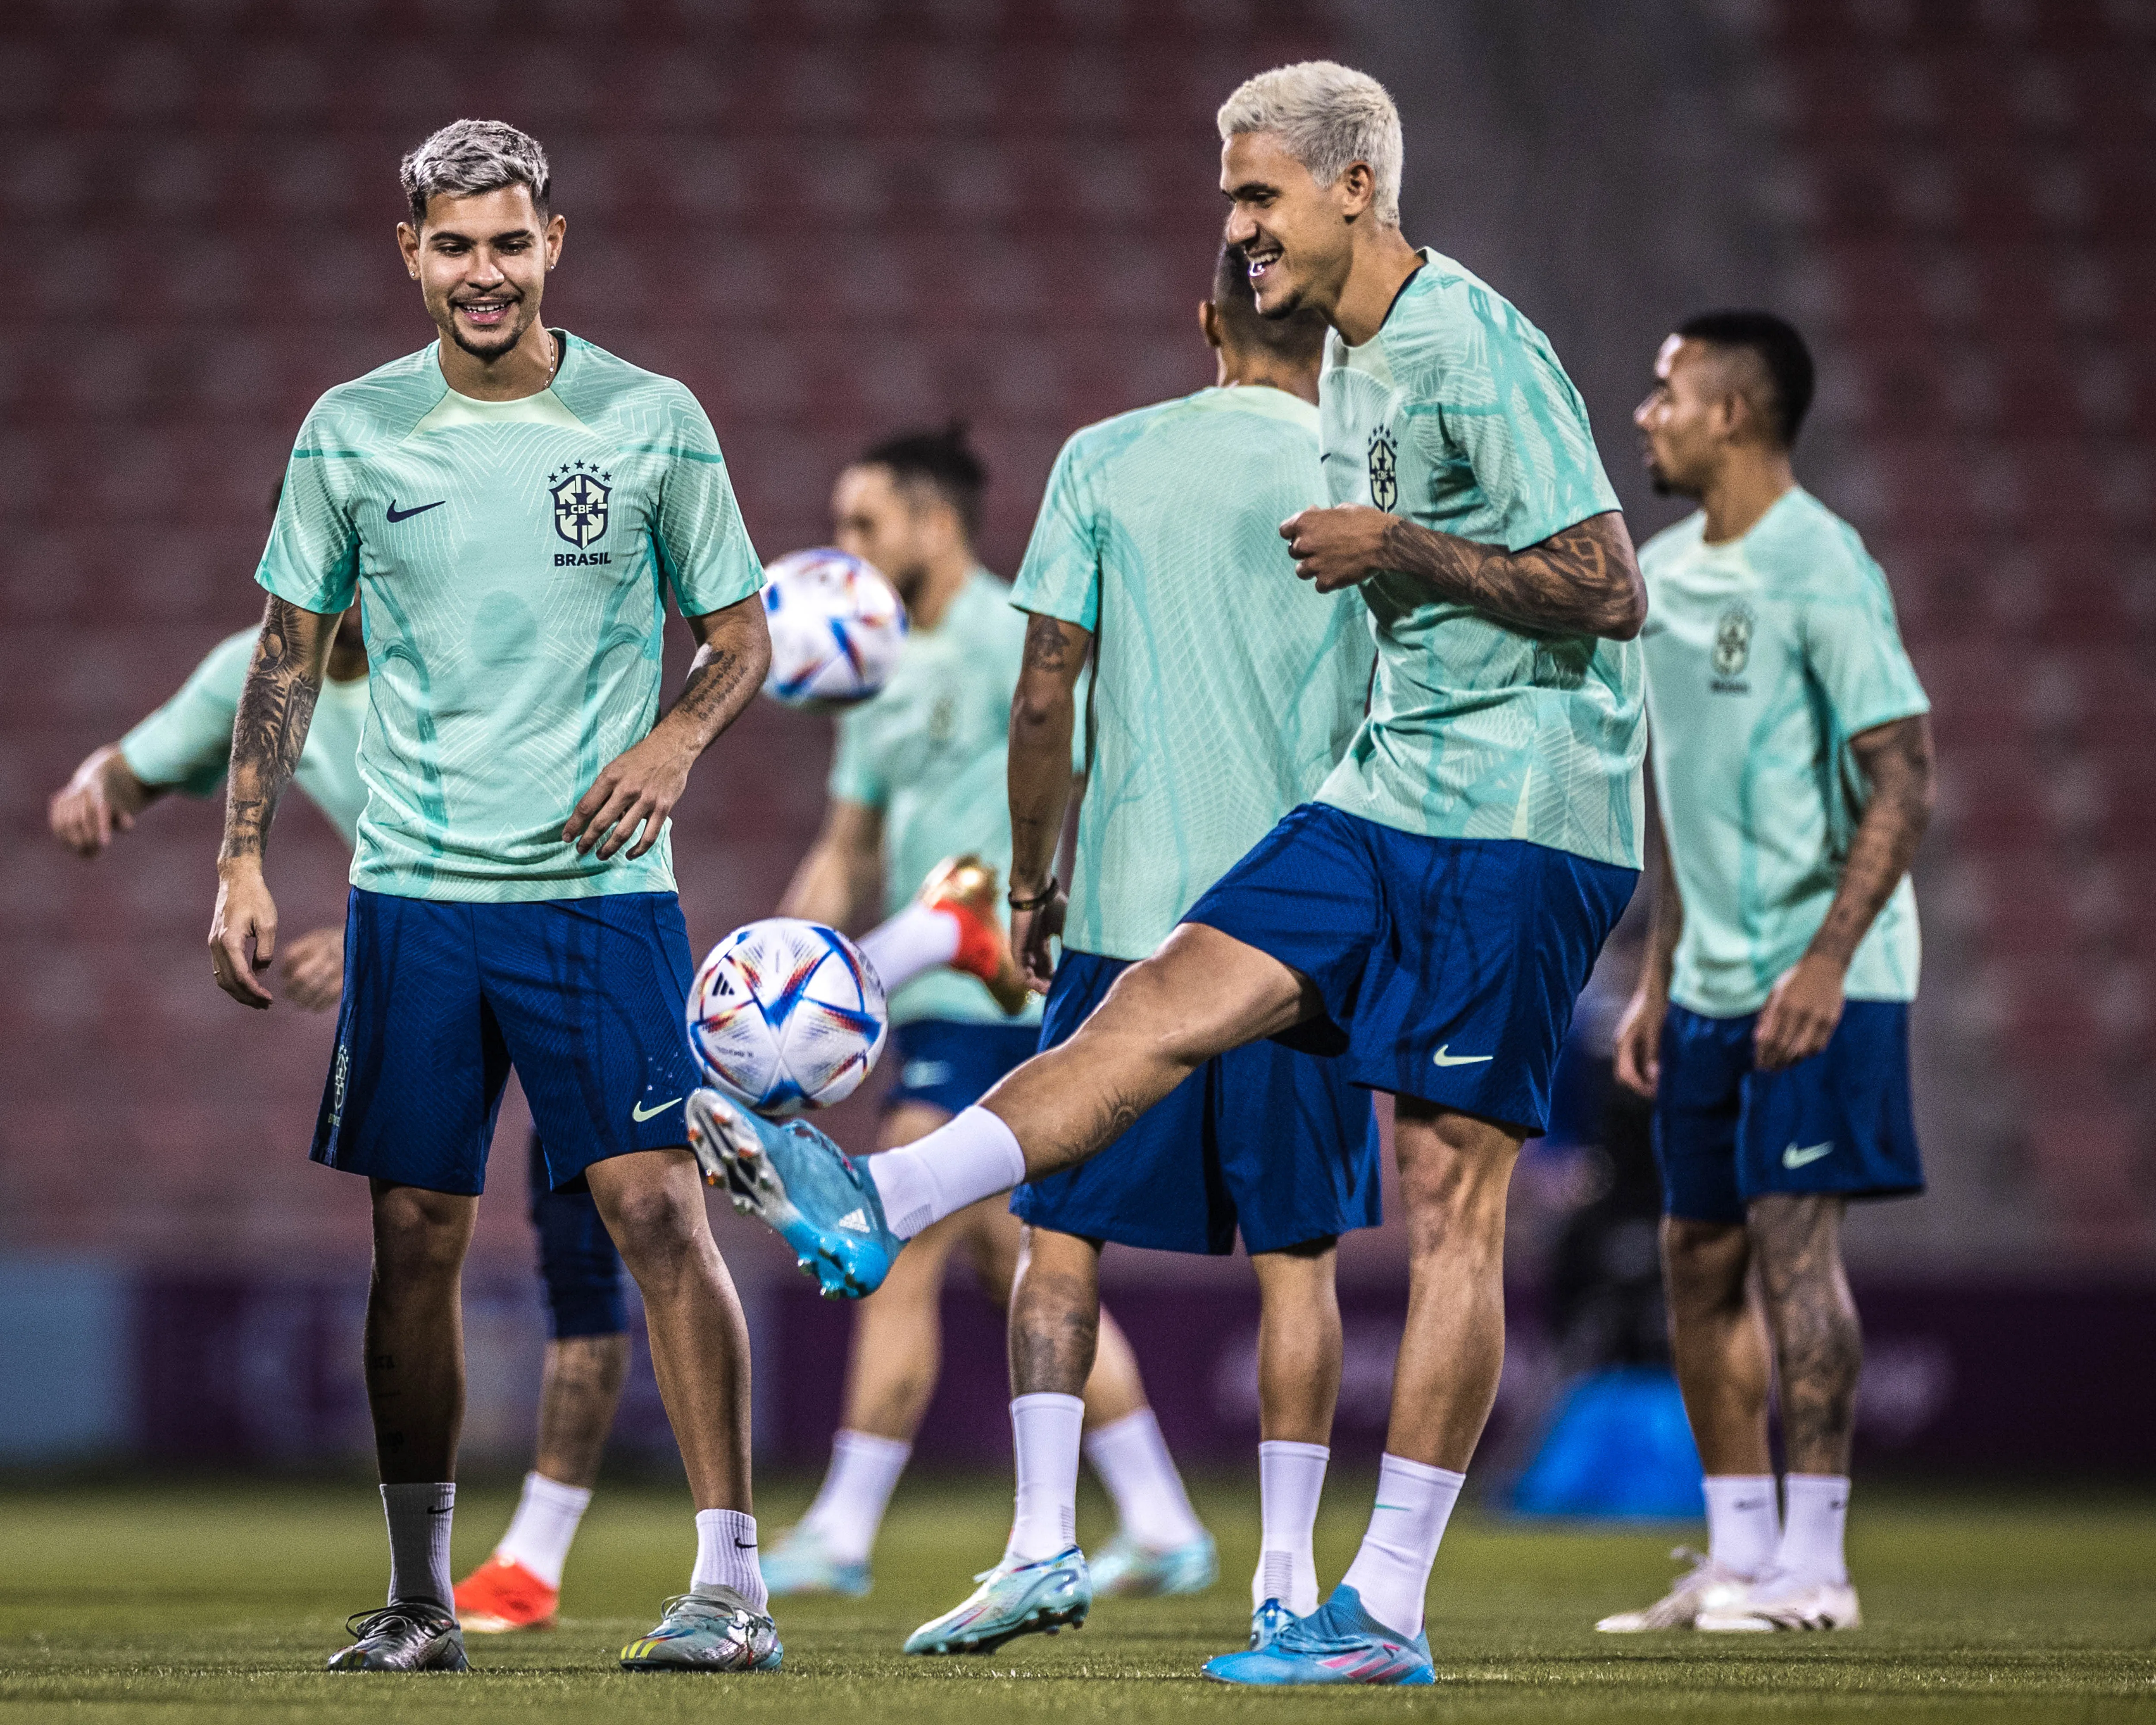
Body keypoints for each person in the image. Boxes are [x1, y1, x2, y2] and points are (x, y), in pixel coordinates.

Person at [692, 61, 1648, 1687]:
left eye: (1259, 194)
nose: (1238, 225)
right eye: (1231, 196)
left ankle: (1383, 1614)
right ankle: (880, 1198)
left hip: (1525, 812)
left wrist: (1398, 550)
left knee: (1446, 1196)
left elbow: (1609, 585)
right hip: (1393, 785)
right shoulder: (1342, 364)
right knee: (1160, 999)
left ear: (1357, 187)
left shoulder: (1468, 343)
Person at [206, 119, 782, 1675]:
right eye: (453, 245)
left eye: (509, 242)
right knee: (413, 1233)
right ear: (411, 255)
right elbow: (282, 655)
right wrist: (244, 855)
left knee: (658, 1211)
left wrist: (676, 739)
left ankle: (732, 1588)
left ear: (554, 244)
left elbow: (742, 634)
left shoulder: (652, 420)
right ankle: (419, 1600)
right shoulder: (350, 432)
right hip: (416, 893)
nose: (484, 272)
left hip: (602, 897)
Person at [901, 245, 1380, 1660]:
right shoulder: (1371, 483)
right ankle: (1286, 1581)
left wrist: (1035, 878)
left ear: (1203, 321)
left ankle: (1044, 1543)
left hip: (1125, 921)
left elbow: (1045, 686)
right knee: (1299, 1262)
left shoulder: (1108, 458)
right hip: (1305, 929)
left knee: (1058, 1237)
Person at [758, 427, 1210, 1605]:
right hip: (934, 1000)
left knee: (898, 1239)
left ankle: (846, 1529)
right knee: (1021, 1253)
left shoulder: (1023, 646)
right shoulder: (873, 662)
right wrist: (784, 971)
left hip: (1008, 995)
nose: (847, 549)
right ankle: (1162, 1519)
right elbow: (847, 847)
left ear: (933, 522)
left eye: (867, 525)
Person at [1599, 311, 1933, 1634]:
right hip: (1708, 987)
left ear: (1733, 412)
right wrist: (1661, 971)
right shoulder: (1668, 578)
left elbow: (1905, 780)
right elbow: (1688, 797)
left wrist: (1828, 964)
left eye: (1667, 389)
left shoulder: (1823, 567)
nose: (1646, 412)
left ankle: (1821, 1567)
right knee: (1695, 1253)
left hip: (1824, 980)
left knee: (1798, 1256)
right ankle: (1738, 1555)